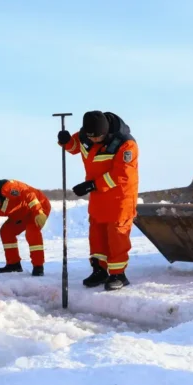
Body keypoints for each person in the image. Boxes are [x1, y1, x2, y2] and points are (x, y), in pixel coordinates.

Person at [58, 111, 139, 291]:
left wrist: (92, 185)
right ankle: (99, 270)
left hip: (121, 196)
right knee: (97, 232)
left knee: (117, 233)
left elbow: (122, 175)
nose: (94, 140)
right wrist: (66, 141)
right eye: (91, 137)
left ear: (106, 131)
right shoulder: (85, 136)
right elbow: (74, 147)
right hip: (98, 195)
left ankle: (118, 274)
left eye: (98, 137)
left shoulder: (126, 144)